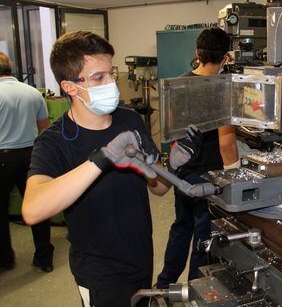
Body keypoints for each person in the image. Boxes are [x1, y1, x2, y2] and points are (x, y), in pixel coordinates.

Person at [21, 31, 198, 307]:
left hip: (142, 256)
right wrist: (101, 159)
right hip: (99, 272)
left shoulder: (129, 120)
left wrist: (169, 169)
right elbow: (32, 210)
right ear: (69, 87)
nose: (111, 83)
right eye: (98, 78)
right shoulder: (55, 141)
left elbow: (159, 189)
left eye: (111, 73)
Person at [156, 27, 239, 289]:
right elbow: (226, 145)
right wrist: (235, 176)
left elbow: (171, 134)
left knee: (181, 228)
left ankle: (165, 285)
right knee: (204, 235)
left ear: (197, 53)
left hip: (182, 173)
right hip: (208, 178)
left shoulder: (178, 85)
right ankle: (195, 290)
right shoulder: (222, 91)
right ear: (225, 57)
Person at [0, 52, 54, 272]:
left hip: (2, 157)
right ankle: (44, 258)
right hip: (32, 155)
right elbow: (44, 127)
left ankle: (5, 259)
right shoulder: (33, 93)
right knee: (38, 207)